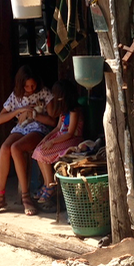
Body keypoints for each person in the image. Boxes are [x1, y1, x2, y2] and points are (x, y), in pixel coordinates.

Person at [0, 65, 56, 217]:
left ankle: (26, 197)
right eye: (27, 86)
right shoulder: (15, 96)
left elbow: (52, 121)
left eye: (33, 85)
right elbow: (0, 119)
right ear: (20, 84)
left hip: (38, 129)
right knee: (4, 148)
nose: (30, 89)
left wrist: (34, 115)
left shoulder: (43, 92)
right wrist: (19, 111)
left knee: (16, 148)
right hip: (20, 128)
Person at [32, 79, 83, 211]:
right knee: (39, 150)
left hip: (72, 140)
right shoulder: (63, 112)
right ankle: (46, 182)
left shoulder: (74, 111)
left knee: (43, 153)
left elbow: (70, 133)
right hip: (61, 137)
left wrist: (53, 142)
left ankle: (51, 185)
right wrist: (47, 138)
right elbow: (58, 128)